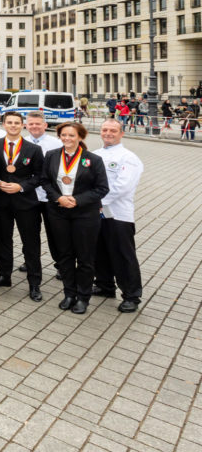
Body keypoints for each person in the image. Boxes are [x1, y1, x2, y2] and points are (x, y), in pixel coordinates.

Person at [42, 122, 110, 314]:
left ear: (80, 137)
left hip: (85, 214)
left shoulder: (93, 159)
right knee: (64, 255)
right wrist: (58, 198)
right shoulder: (52, 156)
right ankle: (69, 293)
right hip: (59, 212)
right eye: (64, 135)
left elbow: (102, 188)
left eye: (72, 136)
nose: (67, 139)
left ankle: (83, 297)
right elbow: (45, 181)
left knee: (85, 257)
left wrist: (77, 200)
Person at [0, 112, 45, 301]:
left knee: (31, 243)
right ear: (3, 124)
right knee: (3, 240)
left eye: (17, 123)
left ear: (23, 126)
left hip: (26, 202)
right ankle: (5, 275)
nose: (13, 125)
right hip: (1, 200)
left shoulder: (33, 149)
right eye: (9, 122)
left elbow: (40, 176)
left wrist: (21, 186)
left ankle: (34, 284)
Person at [93, 119, 145, 313]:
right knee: (100, 251)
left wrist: (98, 202)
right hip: (96, 214)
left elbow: (123, 187)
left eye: (113, 130)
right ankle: (105, 285)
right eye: (105, 129)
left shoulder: (128, 157)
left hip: (118, 214)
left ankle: (132, 295)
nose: (108, 133)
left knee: (123, 255)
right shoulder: (95, 155)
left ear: (121, 133)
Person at [20, 111, 64, 277]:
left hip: (50, 196)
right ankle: (30, 260)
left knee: (55, 232)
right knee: (29, 231)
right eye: (31, 124)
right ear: (26, 125)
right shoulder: (22, 143)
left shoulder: (56, 143)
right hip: (29, 196)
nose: (34, 127)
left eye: (38, 124)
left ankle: (61, 264)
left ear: (45, 125)